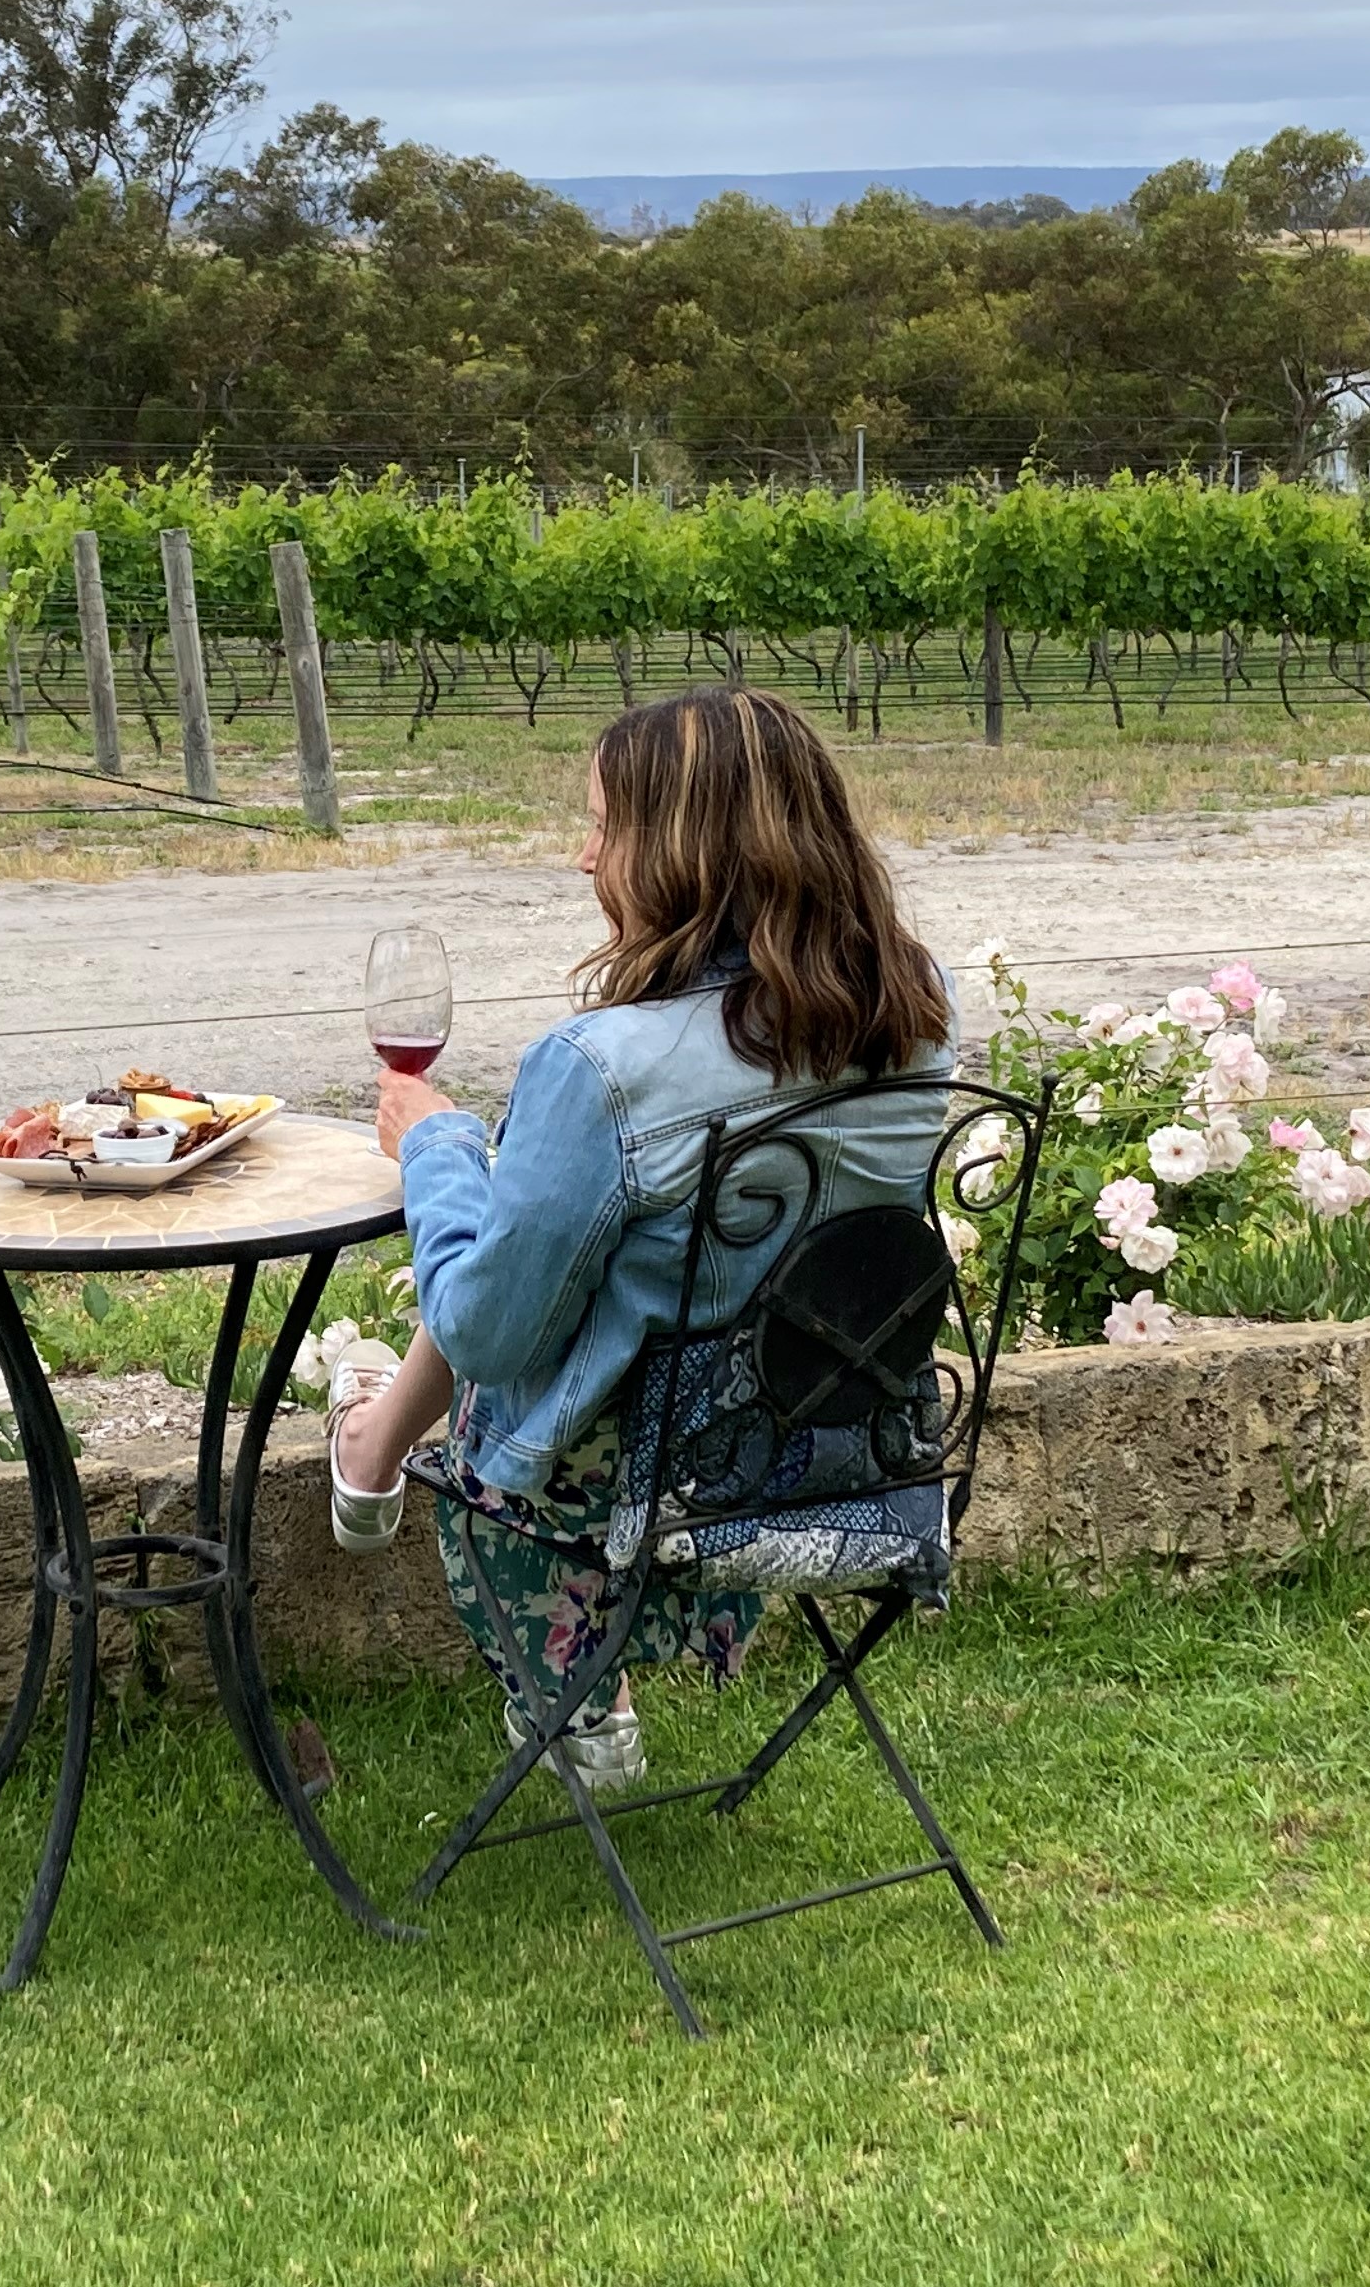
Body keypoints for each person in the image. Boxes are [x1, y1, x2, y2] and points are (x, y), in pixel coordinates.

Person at [325, 684, 957, 1788]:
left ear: (683, 852)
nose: (585, 858)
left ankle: (573, 1697)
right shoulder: (913, 1011)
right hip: (841, 1451)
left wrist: (438, 1148)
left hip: (642, 1483)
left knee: (507, 1327)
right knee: (637, 1263)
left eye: (606, 826)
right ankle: (376, 1434)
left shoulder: (604, 1066)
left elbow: (482, 1330)